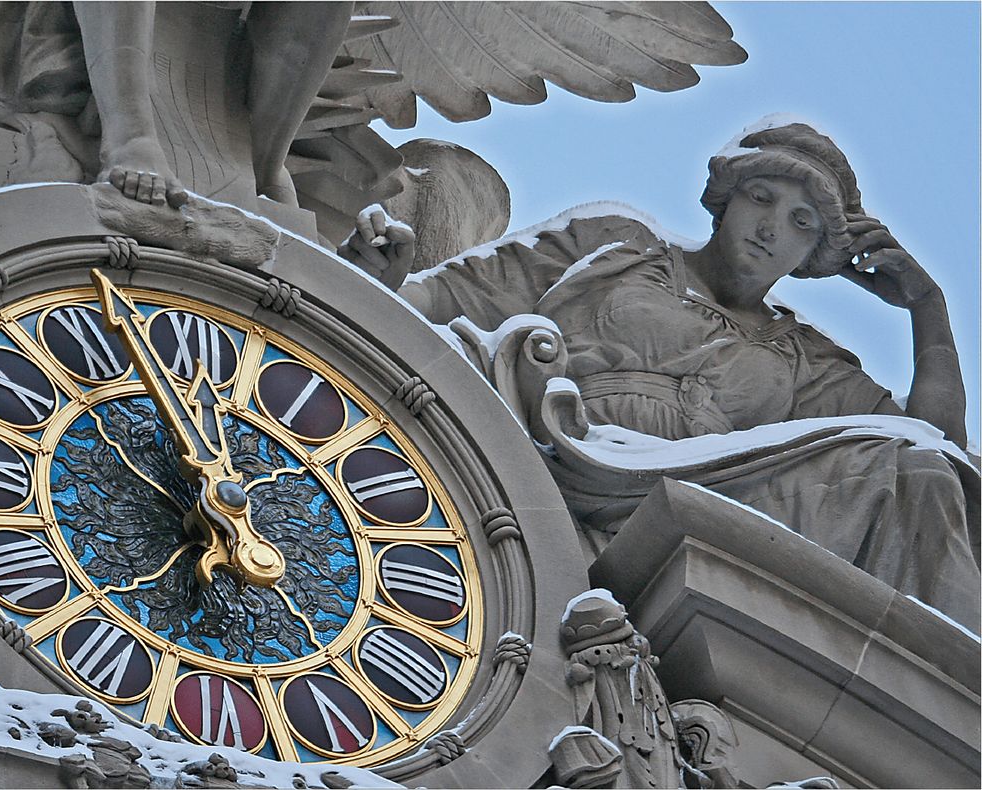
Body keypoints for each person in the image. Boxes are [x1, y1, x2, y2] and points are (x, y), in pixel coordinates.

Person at [341, 121, 980, 626]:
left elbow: (935, 448)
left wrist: (929, 309)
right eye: (762, 198)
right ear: (725, 200)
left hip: (704, 501)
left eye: (801, 223)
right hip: (569, 453)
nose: (770, 229)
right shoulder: (618, 246)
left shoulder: (806, 358)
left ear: (815, 253)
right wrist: (383, 273)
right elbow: (445, 297)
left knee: (915, 474)